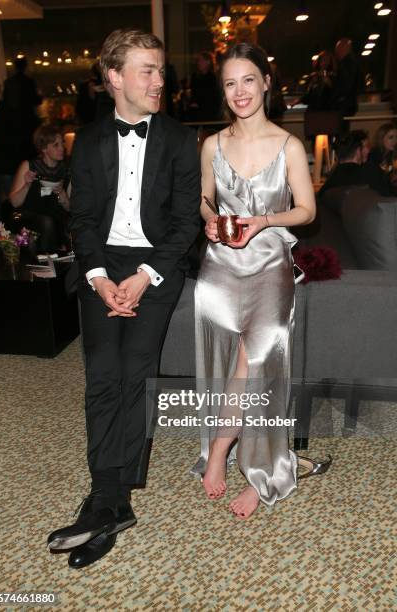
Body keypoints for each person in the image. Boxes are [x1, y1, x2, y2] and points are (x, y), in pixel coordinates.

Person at [46, 29, 200, 568]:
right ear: (114, 77)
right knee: (101, 373)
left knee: (136, 369)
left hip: (156, 268)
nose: (161, 80)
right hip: (101, 266)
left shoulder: (181, 140)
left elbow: (185, 226)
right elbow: (83, 219)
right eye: (148, 70)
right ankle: (107, 496)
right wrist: (96, 276)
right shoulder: (86, 142)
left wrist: (142, 277)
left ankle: (111, 501)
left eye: (161, 70)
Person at [191, 42, 331, 520]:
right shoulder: (211, 144)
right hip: (220, 267)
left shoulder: (289, 146)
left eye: (248, 80)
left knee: (254, 368)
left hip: (270, 263)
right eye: (230, 83)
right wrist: (211, 219)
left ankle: (245, 462)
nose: (239, 91)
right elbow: (204, 200)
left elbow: (307, 211)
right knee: (232, 364)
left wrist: (265, 220)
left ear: (267, 82)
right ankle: (234, 452)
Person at [9, 124, 70, 252]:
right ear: (44, 148)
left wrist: (62, 194)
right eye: (56, 145)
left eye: (62, 143)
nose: (62, 148)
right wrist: (27, 184)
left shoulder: (66, 169)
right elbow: (14, 203)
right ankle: (47, 261)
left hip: (55, 217)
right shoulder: (29, 166)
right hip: (30, 217)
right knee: (47, 222)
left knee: (69, 224)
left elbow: (71, 208)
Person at [319, 130, 396, 199]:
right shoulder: (370, 172)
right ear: (358, 151)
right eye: (366, 146)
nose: (369, 151)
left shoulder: (332, 179)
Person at [0, 73, 21, 223]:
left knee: (12, 202)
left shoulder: (7, 109)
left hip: (5, 164)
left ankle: (20, 238)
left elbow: (16, 137)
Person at [3, 57, 43, 160]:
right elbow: (36, 100)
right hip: (28, 120)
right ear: (25, 67)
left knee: (18, 153)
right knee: (30, 151)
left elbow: (5, 101)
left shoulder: (9, 82)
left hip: (13, 121)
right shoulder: (29, 81)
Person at [331, 38, 361, 117]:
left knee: (339, 126)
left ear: (343, 48)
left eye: (338, 49)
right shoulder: (353, 62)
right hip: (348, 103)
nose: (336, 52)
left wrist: (338, 97)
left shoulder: (347, 64)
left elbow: (346, 84)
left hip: (343, 104)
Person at [189, 51, 221, 121]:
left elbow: (213, 97)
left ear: (208, 62)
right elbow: (193, 93)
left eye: (201, 60)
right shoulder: (195, 77)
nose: (198, 63)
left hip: (210, 112)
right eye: (198, 61)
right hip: (197, 113)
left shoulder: (214, 78)